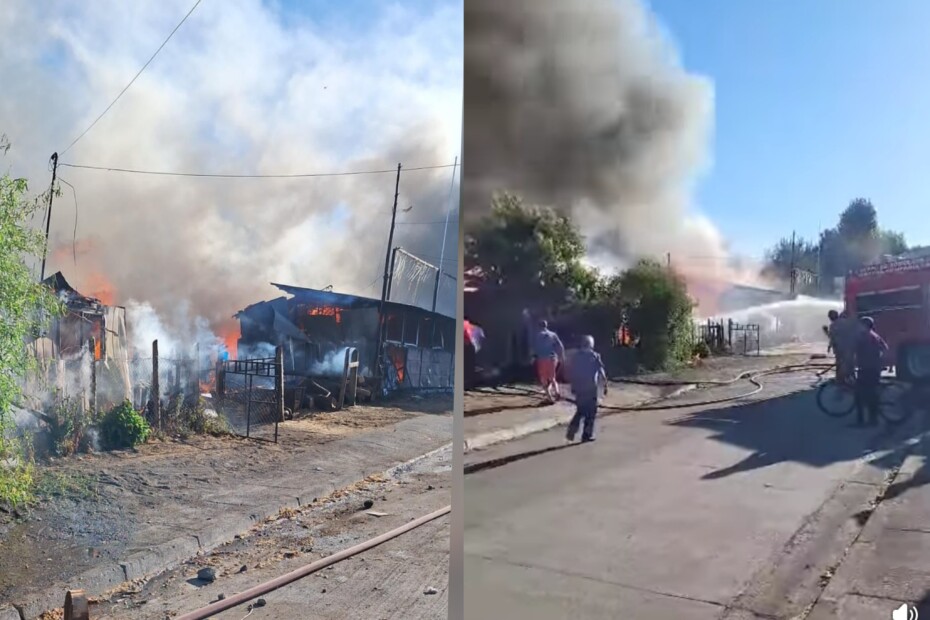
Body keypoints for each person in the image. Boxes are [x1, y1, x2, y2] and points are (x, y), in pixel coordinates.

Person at [566, 335, 608, 443]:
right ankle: (586, 435)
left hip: (579, 388)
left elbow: (572, 372)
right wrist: (605, 385)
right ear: (591, 344)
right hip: (590, 389)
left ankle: (572, 430)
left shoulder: (576, 357)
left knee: (580, 410)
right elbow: (601, 372)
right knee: (591, 413)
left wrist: (573, 386)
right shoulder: (595, 356)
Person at [853, 316, 888, 427]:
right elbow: (885, 348)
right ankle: (873, 420)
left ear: (864, 326)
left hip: (866, 369)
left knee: (860, 395)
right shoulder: (875, 335)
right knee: (872, 395)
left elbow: (854, 351)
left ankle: (862, 421)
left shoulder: (863, 336)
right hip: (874, 369)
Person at [532, 319, 565, 402]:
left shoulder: (537, 336)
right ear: (546, 326)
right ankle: (557, 392)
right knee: (552, 377)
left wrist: (533, 356)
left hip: (542, 359)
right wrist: (561, 356)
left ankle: (549, 398)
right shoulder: (553, 334)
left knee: (543, 379)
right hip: (552, 358)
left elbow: (535, 348)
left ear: (539, 326)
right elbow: (560, 346)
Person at [827, 309, 857, 384]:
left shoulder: (833, 325)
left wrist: (829, 347)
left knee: (840, 364)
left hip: (840, 348)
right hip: (850, 346)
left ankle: (841, 381)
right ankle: (852, 378)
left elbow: (832, 338)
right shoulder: (846, 322)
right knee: (850, 363)